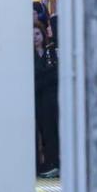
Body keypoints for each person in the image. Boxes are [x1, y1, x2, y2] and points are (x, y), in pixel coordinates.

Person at [33, 22, 59, 177]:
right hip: (37, 98)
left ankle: (53, 162)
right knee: (39, 131)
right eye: (32, 35)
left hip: (50, 99)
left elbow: (54, 74)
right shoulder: (29, 56)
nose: (35, 38)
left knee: (51, 130)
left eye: (37, 34)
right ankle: (42, 163)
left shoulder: (51, 53)